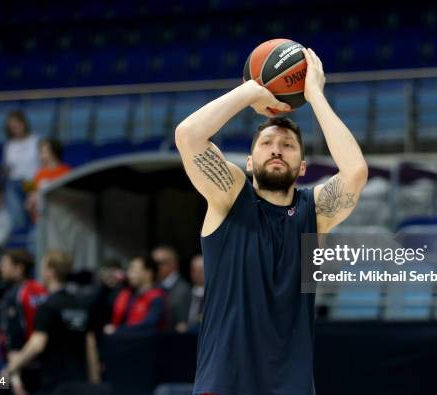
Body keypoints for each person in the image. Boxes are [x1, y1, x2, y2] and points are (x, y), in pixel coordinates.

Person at [175, 48, 368, 394]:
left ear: (303, 167)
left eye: (288, 145)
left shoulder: (315, 213)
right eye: (267, 143)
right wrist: (252, 89)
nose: (277, 149)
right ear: (249, 161)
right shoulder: (229, 196)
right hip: (224, 385)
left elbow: (354, 172)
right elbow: (188, 135)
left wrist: (315, 96)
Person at [2, 251, 101, 394]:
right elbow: (90, 344)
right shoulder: (81, 304)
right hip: (80, 382)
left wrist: (10, 368)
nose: (41, 273)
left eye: (43, 268)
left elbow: (37, 344)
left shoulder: (48, 306)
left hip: (55, 384)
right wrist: (94, 381)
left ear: (51, 272)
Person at [0, 249, 47, 395]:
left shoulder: (14, 296)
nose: (1, 268)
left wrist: (15, 378)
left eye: (5, 264)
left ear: (19, 268)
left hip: (21, 368)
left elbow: (14, 339)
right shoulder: (41, 290)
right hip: (45, 368)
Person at [104, 256, 165, 335]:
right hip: (124, 341)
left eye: (133, 270)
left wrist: (117, 330)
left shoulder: (157, 297)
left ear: (148, 273)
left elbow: (149, 326)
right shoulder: (128, 294)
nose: (129, 274)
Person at [2, 110, 39, 230]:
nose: (15, 129)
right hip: (14, 183)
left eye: (17, 125)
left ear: (23, 124)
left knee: (34, 215)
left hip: (30, 182)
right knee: (17, 218)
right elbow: (7, 166)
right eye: (12, 127)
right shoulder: (9, 145)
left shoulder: (35, 141)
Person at [25, 138, 71, 221]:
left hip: (61, 216)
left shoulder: (66, 171)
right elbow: (29, 200)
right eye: (40, 152)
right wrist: (31, 204)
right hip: (42, 219)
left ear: (54, 153)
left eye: (43, 152)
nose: (40, 156)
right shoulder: (35, 174)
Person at [151, 245, 190, 330]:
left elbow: (182, 325)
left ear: (174, 264)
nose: (155, 267)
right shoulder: (153, 286)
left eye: (160, 263)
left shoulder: (182, 289)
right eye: (152, 264)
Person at [175, 254, 205, 334]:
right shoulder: (184, 294)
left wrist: (188, 328)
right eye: (194, 270)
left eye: (201, 270)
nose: (197, 274)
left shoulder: (215, 297)